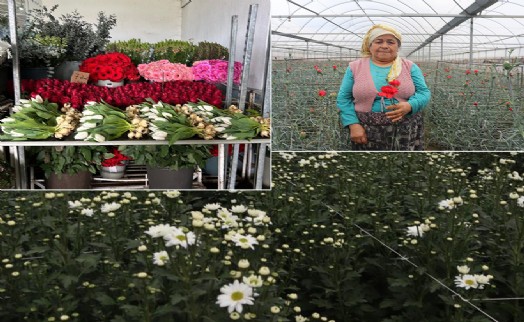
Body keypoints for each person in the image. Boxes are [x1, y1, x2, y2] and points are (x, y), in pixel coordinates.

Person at [336, 24, 431, 150]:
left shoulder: (409, 66)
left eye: (391, 42)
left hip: (405, 129)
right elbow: (343, 98)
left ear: (398, 47)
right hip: (365, 130)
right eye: (378, 41)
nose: (385, 46)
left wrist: (410, 105)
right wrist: (353, 124)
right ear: (370, 46)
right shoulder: (355, 67)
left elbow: (424, 92)